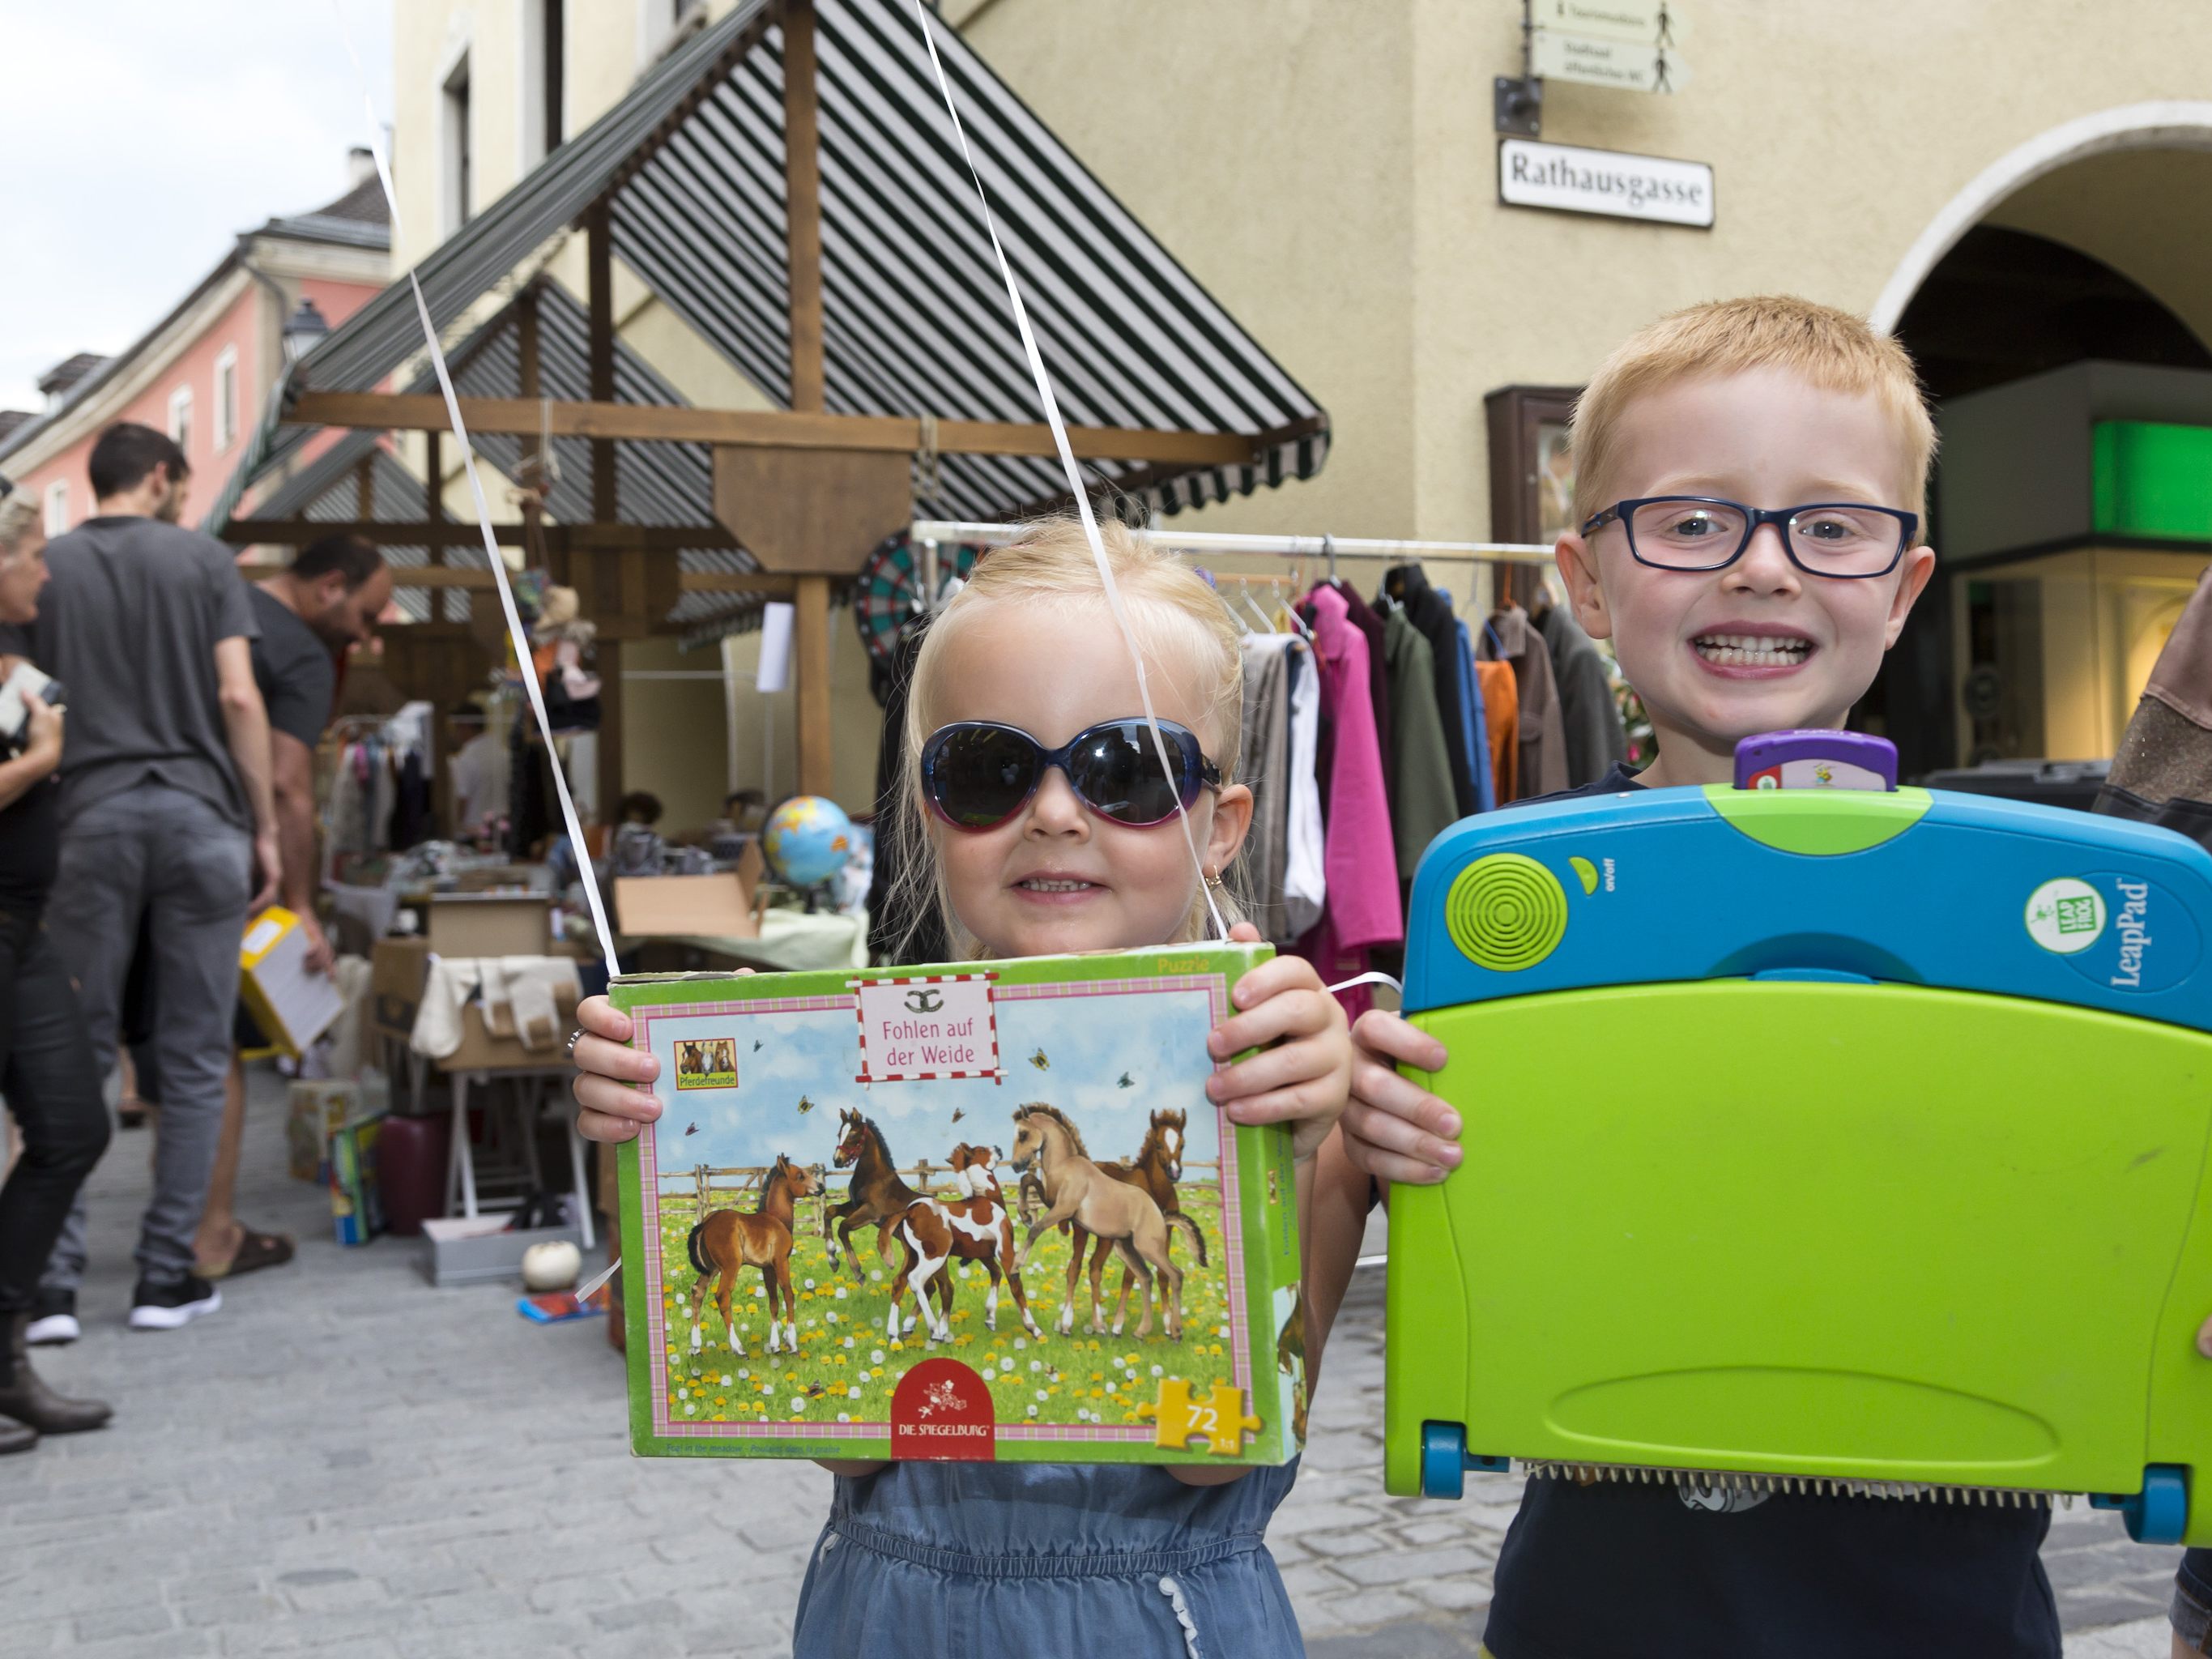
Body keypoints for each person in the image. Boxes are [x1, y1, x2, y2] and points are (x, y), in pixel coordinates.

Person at [1335, 298, 2083, 1659]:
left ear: (1906, 584)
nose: (1761, 567)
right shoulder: (1519, 930)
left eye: (1833, 524)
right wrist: (1383, 1135)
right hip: (1597, 1613)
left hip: (1955, 1619)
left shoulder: (2021, 932)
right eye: (1691, 522)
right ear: (1583, 580)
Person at [569, 520, 1358, 1657]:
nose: (1051, 811)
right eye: (988, 771)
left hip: (1150, 1620)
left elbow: (1212, 1452)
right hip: (889, 1615)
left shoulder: (1279, 1069)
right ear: (925, 813)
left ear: (1219, 825)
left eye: (1125, 771)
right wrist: (647, 1131)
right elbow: (848, 1441)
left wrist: (1292, 1153)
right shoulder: (848, 1055)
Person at [16, 422, 279, 1341]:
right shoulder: (205, 561)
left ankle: (49, 1286)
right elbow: (240, 696)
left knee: (76, 1049)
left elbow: (16, 689)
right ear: (162, 478)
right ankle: (165, 1276)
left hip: (88, 817)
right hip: (201, 817)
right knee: (196, 1051)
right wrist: (267, 825)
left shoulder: (48, 565)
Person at [192, 533, 390, 1282]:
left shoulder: (210, 606)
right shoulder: (298, 653)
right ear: (329, 586)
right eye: (367, 616)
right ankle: (210, 1233)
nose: (367, 638)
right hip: (230, 878)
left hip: (131, 855)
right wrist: (302, 903)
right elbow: (289, 784)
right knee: (215, 1056)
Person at [0, 488, 112, 1444]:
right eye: (34, 550)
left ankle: (3, 1358)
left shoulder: (16, 664)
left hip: (22, 934)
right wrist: (37, 762)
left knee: (73, 1123)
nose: (44, 567)